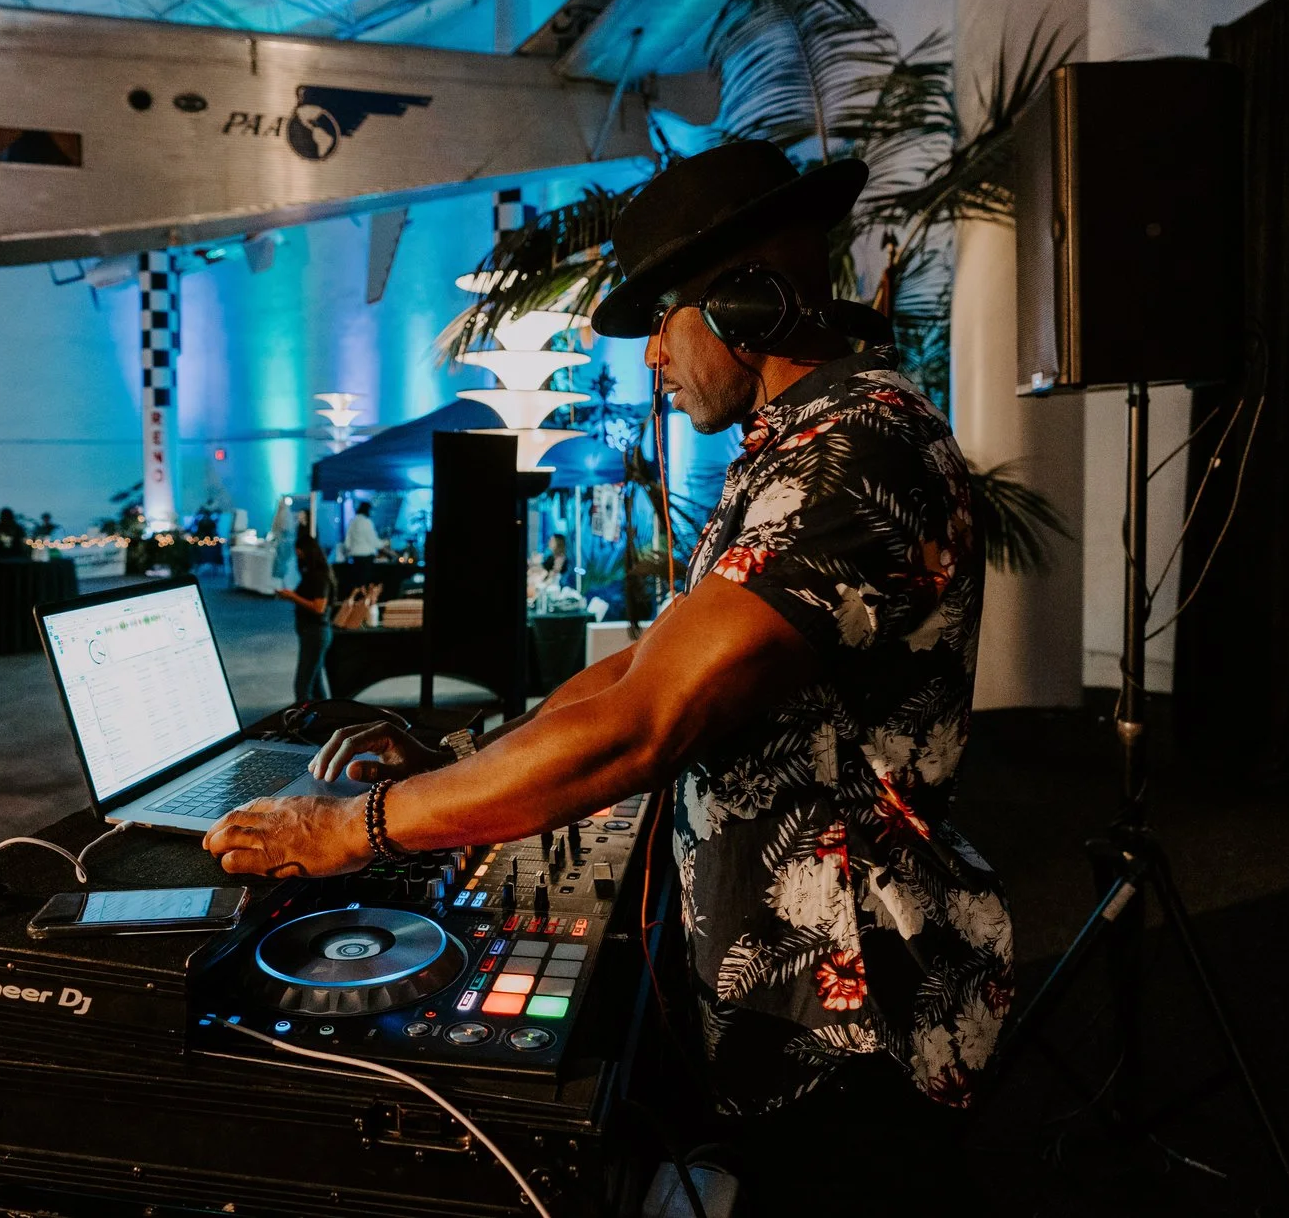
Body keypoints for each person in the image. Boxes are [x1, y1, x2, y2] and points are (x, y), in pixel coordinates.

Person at [203, 141, 999, 1216]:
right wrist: (466, 762)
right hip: (796, 999)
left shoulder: (860, 454)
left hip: (860, 1020)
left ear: (746, 303)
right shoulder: (795, 447)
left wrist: (361, 827)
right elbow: (641, 663)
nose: (649, 361)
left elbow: (640, 722)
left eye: (659, 318)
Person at [274, 524, 332, 703]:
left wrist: (292, 597)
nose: (298, 556)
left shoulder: (318, 576)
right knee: (315, 683)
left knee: (303, 686)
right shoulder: (313, 574)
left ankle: (305, 722)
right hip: (312, 632)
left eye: (299, 552)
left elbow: (319, 607)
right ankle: (325, 718)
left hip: (315, 632)